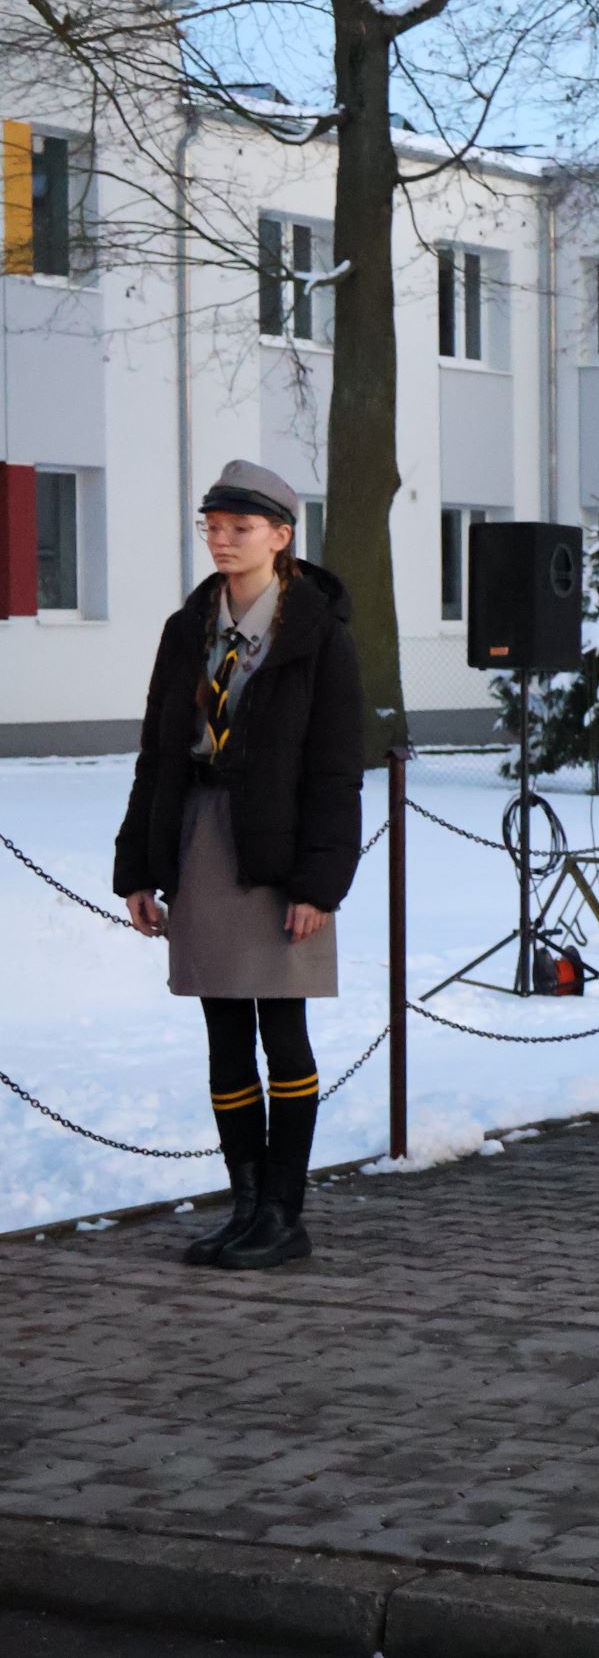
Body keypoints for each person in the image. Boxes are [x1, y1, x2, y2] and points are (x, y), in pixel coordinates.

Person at [113, 460, 364, 1270]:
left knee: (282, 1031)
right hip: (200, 835)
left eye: (239, 527)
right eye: (211, 526)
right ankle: (247, 1204)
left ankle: (285, 1214)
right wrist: (137, 868)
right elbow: (157, 751)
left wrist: (320, 883)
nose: (221, 540)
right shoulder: (188, 627)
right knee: (224, 1031)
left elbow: (335, 768)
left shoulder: (317, 631)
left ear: (282, 536)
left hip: (281, 847)